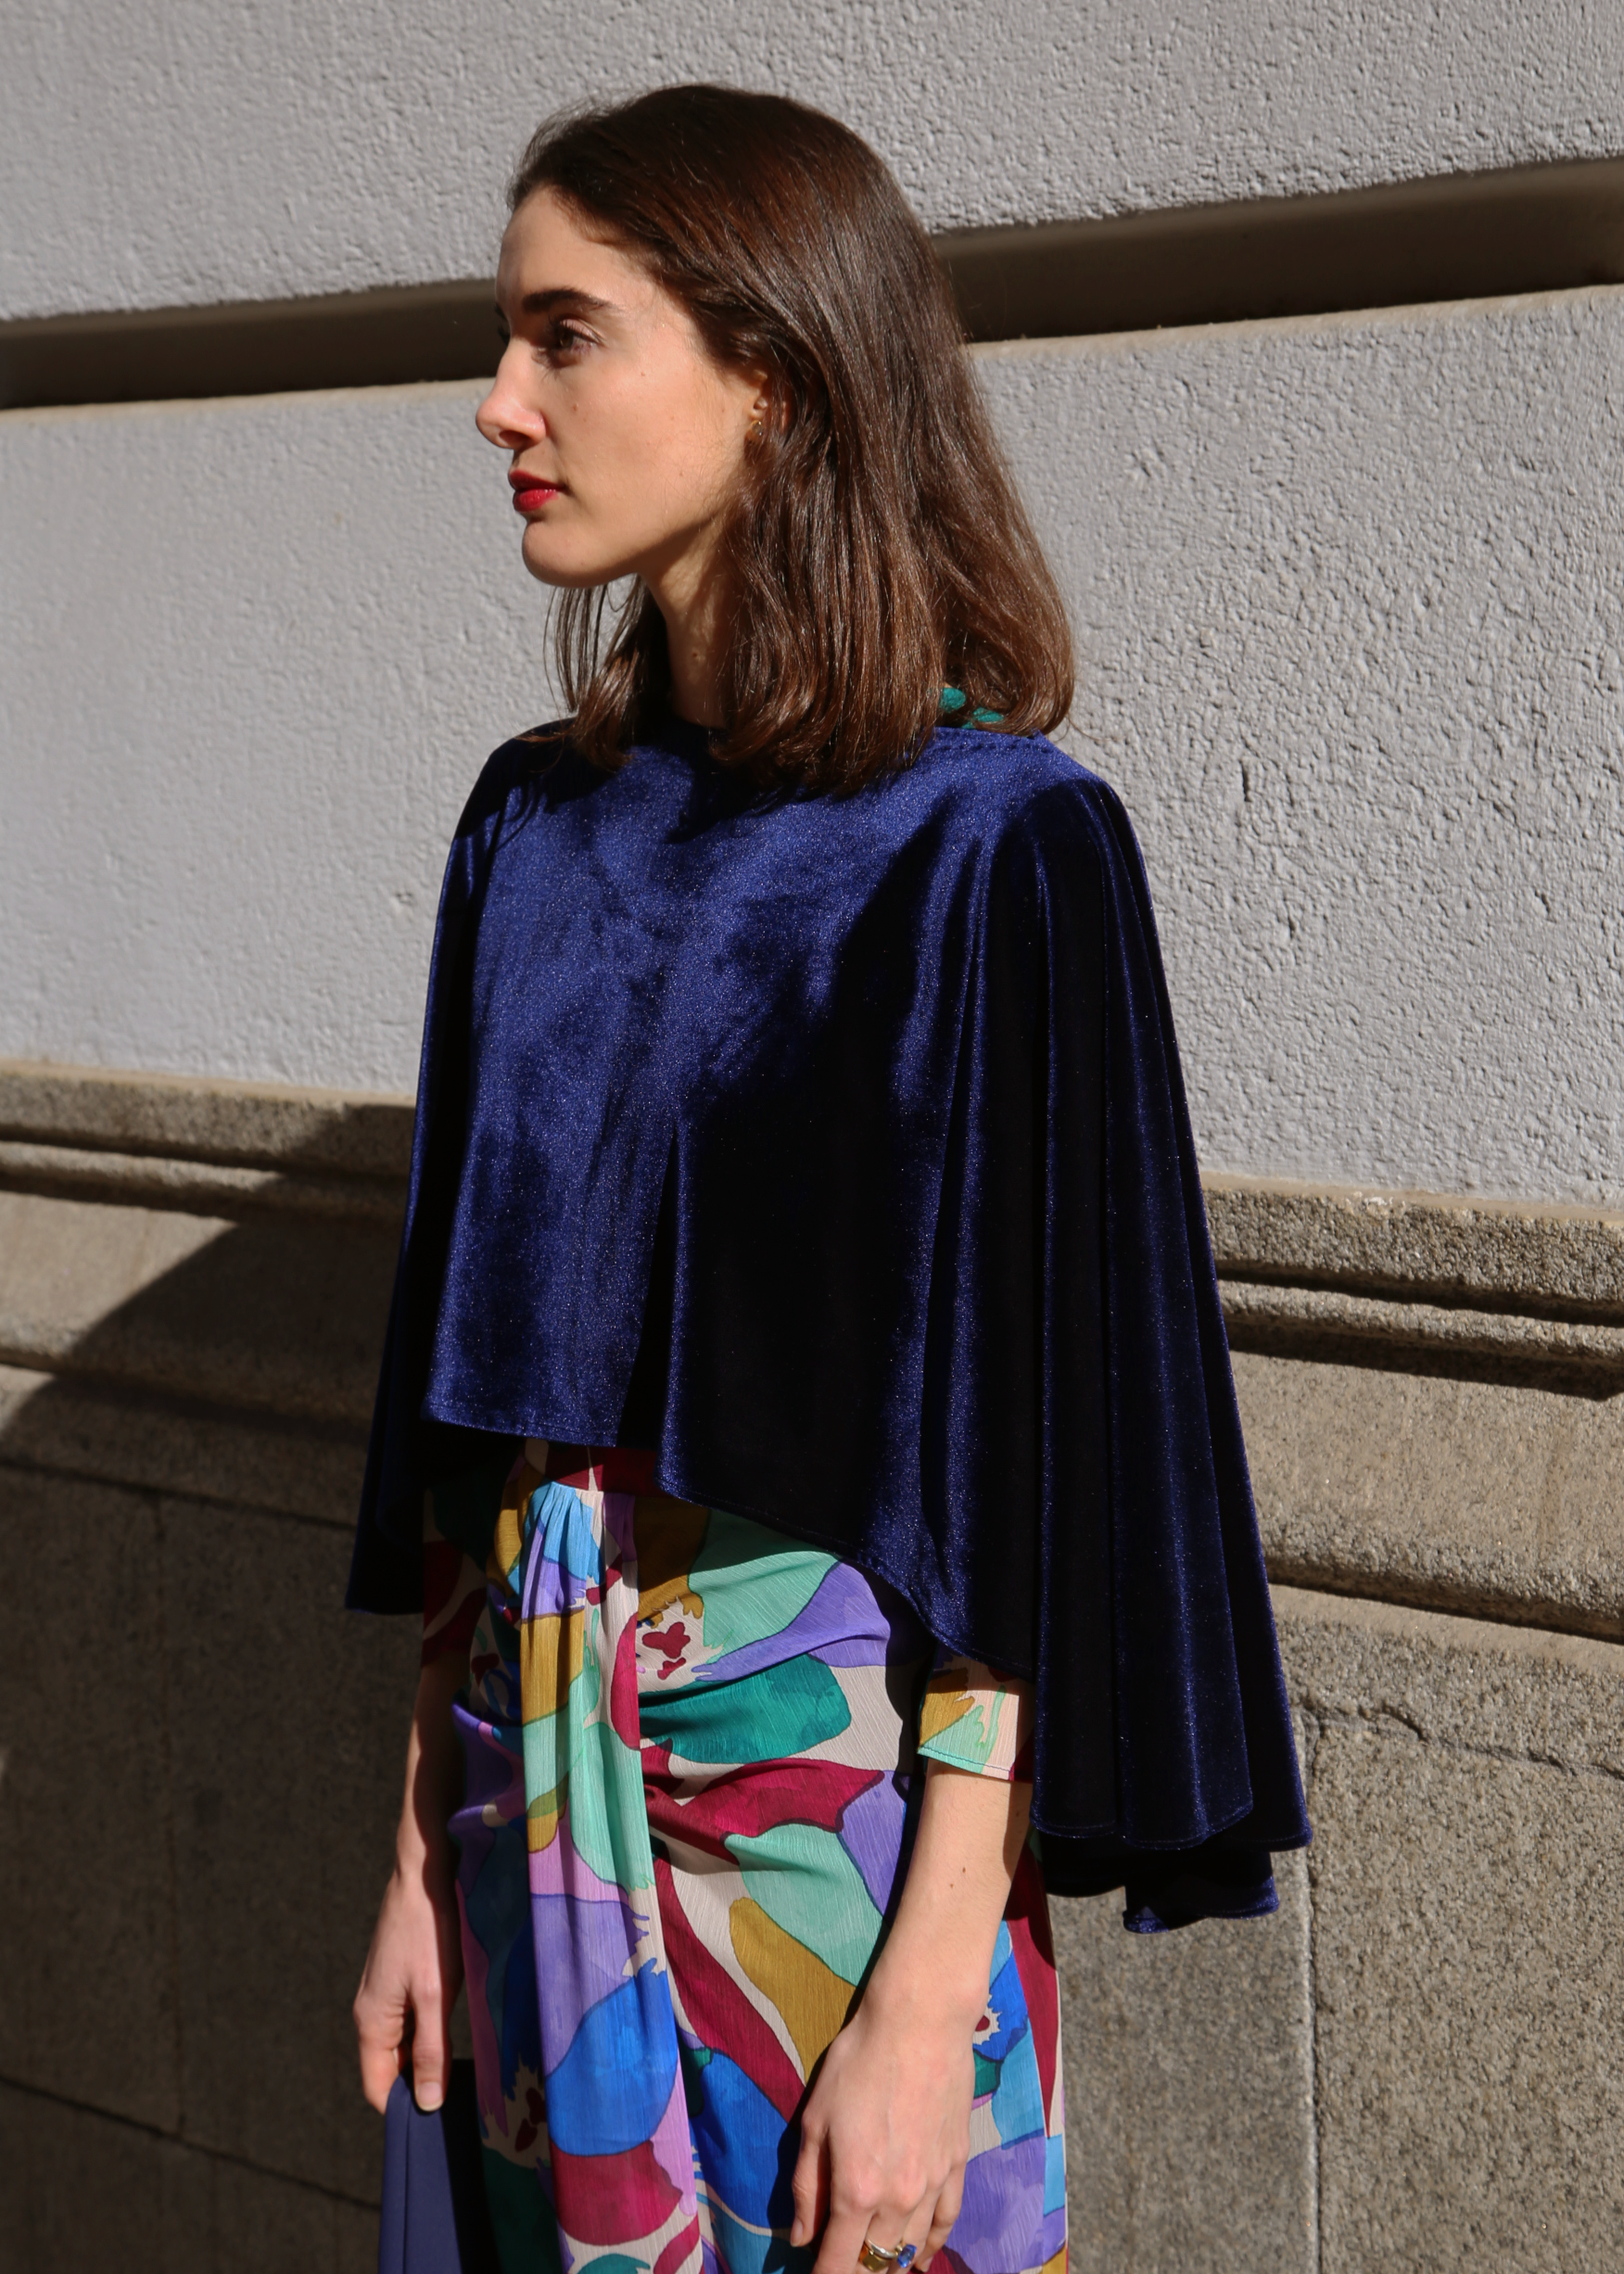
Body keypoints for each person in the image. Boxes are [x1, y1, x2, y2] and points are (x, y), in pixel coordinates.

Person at [349, 83, 1310, 2274]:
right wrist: (416, 1847)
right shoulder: (529, 829)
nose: (501, 401)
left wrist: (934, 1977)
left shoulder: (994, 849)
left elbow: (1031, 1465)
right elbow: (470, 1405)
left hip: (830, 1830)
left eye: (565, 335)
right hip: (521, 1807)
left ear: (771, 375)